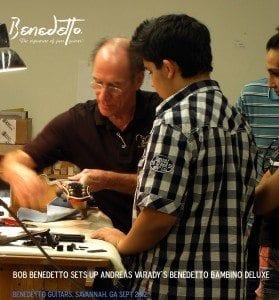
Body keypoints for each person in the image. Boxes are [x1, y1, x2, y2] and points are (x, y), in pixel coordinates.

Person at [90, 14, 257, 299]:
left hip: (173, 287)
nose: (151, 83)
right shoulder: (235, 119)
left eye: (150, 71)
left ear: (168, 68)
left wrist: (123, 242)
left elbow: (157, 217)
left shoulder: (174, 122)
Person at [0, 37, 161, 234]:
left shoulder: (162, 115)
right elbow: (14, 161)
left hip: (160, 238)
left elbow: (166, 185)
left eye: (114, 86)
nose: (103, 96)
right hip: (111, 236)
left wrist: (107, 180)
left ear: (138, 79)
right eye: (98, 83)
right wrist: (20, 173)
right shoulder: (79, 121)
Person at [236, 27, 279, 299]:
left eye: (277, 74)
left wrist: (267, 181)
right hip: (261, 231)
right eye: (270, 71)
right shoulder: (251, 96)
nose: (271, 82)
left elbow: (264, 198)